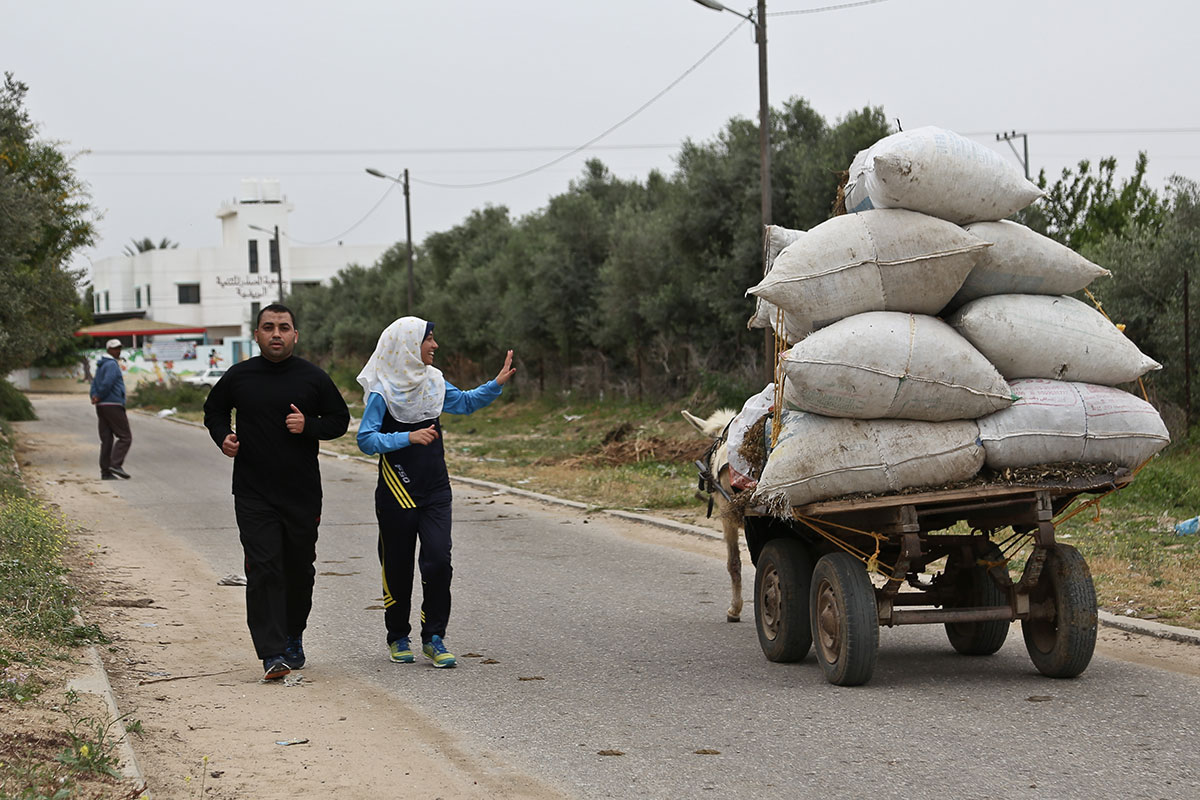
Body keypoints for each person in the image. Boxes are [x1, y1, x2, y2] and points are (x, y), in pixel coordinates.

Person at [356, 317, 515, 668]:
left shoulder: (434, 382)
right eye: (429, 339)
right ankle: (398, 636)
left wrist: (496, 384)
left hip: (436, 491)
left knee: (439, 561)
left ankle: (434, 637)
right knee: (397, 567)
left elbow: (465, 403)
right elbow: (365, 440)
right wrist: (407, 438)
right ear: (408, 345)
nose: (435, 345)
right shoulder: (383, 392)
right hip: (397, 492)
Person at [203, 304, 350, 681]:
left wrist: (309, 426)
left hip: (301, 493)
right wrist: (223, 437)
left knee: (299, 570)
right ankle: (272, 653)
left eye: (284, 327)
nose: (276, 334)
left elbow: (340, 420)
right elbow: (213, 410)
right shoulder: (239, 376)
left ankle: (293, 634)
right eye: (268, 327)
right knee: (264, 568)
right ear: (257, 335)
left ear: (295, 335)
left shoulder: (313, 378)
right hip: (253, 492)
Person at [90, 338, 132, 480]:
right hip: (113, 404)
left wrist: (95, 396)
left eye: (119, 348)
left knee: (107, 439)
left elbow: (94, 383)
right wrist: (99, 395)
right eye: (115, 348)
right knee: (125, 437)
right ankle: (115, 464)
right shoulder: (112, 365)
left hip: (101, 406)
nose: (118, 351)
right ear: (108, 350)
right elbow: (108, 383)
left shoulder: (101, 365)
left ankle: (105, 472)